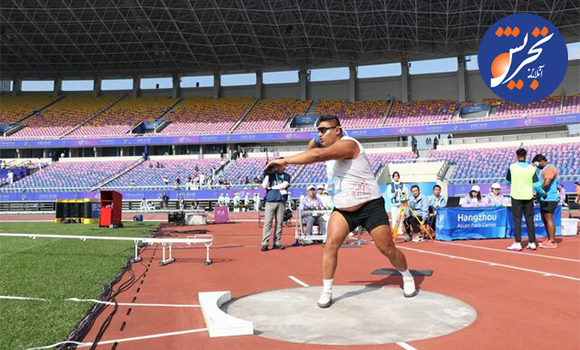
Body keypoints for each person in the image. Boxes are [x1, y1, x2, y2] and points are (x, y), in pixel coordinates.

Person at [265, 115, 417, 308]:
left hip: (370, 206)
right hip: (343, 209)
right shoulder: (324, 144)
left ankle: (407, 275)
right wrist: (317, 138)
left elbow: (317, 155)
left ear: (337, 130)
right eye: (317, 130)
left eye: (324, 130)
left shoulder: (349, 145)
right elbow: (314, 147)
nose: (320, 134)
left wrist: (284, 161)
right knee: (330, 245)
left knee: (387, 248)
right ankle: (327, 290)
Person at [506, 148, 540, 251]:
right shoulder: (532, 168)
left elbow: (507, 182)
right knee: (530, 220)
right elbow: (537, 184)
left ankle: (517, 243)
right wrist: (542, 193)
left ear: (516, 156)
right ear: (526, 156)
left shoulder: (512, 167)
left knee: (517, 220)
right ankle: (532, 242)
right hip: (528, 197)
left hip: (516, 196)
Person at [261, 159, 291, 251]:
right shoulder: (271, 175)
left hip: (281, 200)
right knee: (268, 222)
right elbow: (264, 185)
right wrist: (267, 174)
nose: (285, 167)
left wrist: (271, 187)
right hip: (270, 200)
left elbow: (284, 185)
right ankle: (265, 242)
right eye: (283, 165)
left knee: (280, 222)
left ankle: (277, 242)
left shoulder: (286, 176)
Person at [532, 154, 559, 249]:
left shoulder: (549, 168)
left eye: (537, 164)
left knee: (548, 218)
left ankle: (552, 240)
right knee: (545, 218)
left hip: (549, 198)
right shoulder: (546, 169)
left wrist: (539, 193)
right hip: (545, 198)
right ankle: (549, 238)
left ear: (541, 161)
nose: (537, 167)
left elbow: (547, 183)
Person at [387, 172, 409, 239]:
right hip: (394, 204)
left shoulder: (403, 185)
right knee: (394, 217)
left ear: (399, 177)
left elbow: (406, 192)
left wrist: (405, 199)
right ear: (393, 177)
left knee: (400, 217)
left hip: (401, 203)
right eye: (395, 176)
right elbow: (389, 194)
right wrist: (395, 194)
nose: (396, 177)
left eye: (397, 176)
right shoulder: (390, 185)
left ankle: (400, 229)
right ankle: (394, 229)